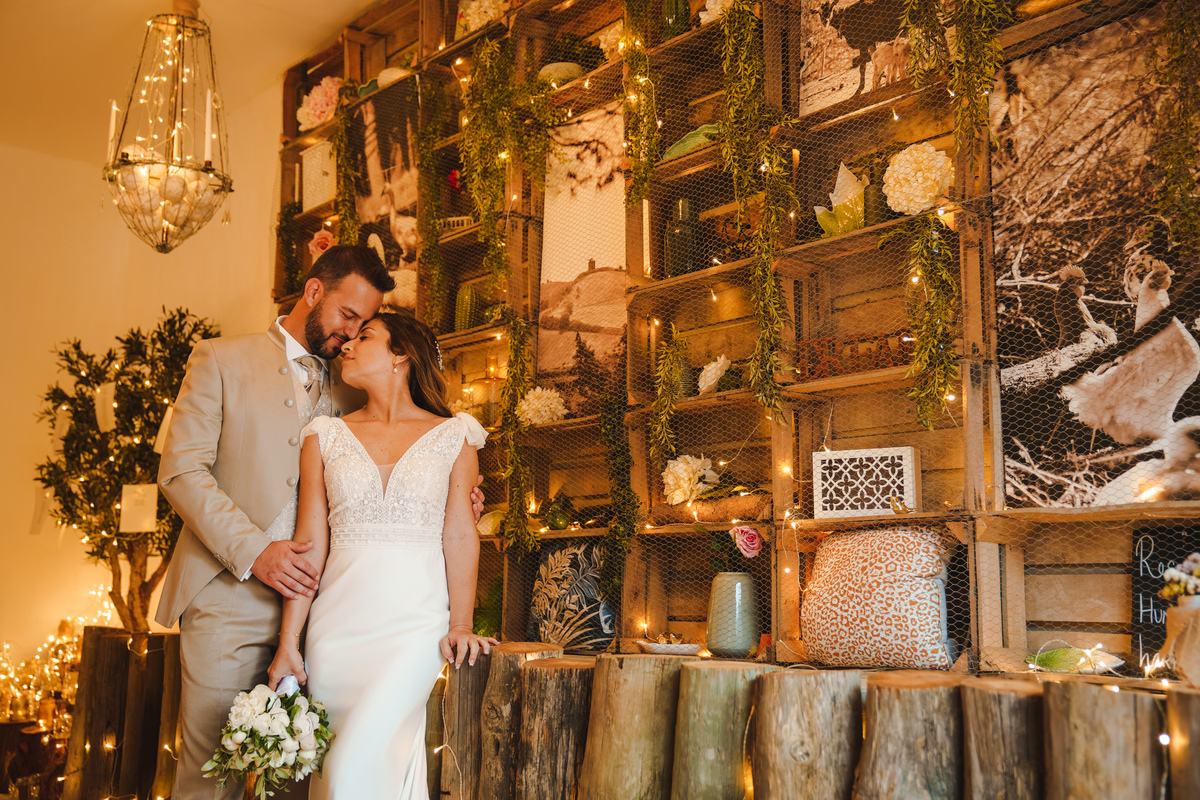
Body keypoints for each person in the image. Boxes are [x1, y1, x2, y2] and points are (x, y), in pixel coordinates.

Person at [154, 245, 484, 800]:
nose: (350, 335)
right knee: (212, 774)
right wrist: (257, 552)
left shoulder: (354, 378)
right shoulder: (221, 360)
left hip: (328, 611)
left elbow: (406, 468)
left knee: (304, 779)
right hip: (230, 599)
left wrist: (450, 501)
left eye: (363, 325)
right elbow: (181, 472)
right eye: (347, 316)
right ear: (313, 292)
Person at [266, 311, 499, 799]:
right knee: (338, 775)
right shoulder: (323, 435)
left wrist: (461, 623)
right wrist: (289, 641)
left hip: (415, 629)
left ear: (401, 355)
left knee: (360, 767)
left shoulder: (455, 435)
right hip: (336, 634)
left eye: (364, 336)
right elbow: (310, 544)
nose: (347, 345)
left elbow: (460, 535)